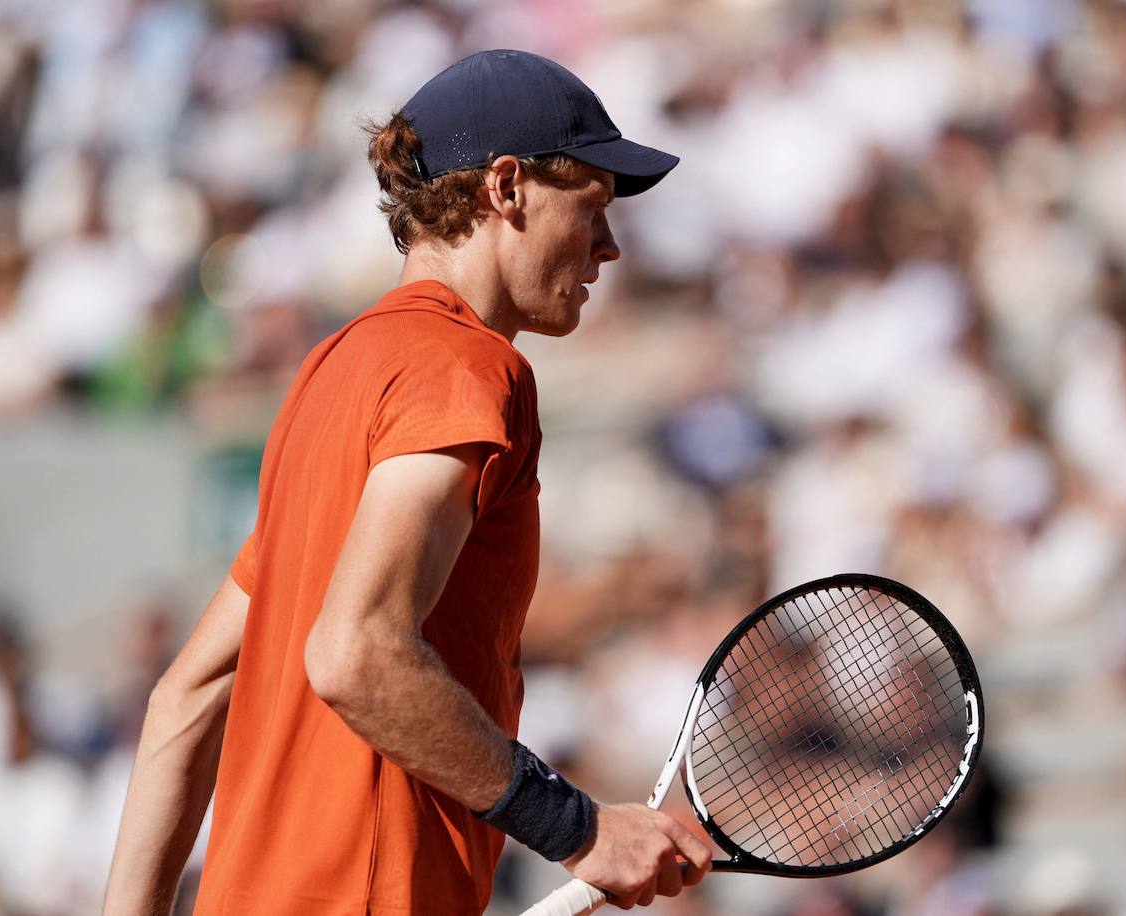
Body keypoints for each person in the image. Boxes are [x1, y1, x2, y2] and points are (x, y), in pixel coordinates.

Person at [102, 49, 711, 915]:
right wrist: (580, 830)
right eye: (594, 208)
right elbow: (356, 652)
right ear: (508, 188)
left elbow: (187, 696)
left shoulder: (331, 375)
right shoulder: (469, 370)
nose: (609, 247)